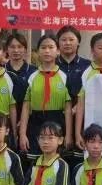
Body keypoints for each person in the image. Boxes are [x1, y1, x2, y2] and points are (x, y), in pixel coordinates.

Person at [19, 35, 72, 164]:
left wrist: (68, 134)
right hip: (36, 122)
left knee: (56, 162)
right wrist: (22, 134)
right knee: (34, 162)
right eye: (43, 48)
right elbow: (26, 107)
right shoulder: (32, 77)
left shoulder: (65, 77)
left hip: (57, 121)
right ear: (38, 52)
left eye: (51, 47)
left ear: (58, 51)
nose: (47, 51)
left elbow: (68, 109)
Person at [74, 33, 102, 150]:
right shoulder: (86, 73)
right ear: (92, 50)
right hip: (91, 123)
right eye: (100, 48)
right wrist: (77, 133)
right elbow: (81, 104)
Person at [55, 25, 91, 102]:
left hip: (82, 108)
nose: (67, 43)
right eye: (63, 40)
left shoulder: (88, 65)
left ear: (78, 42)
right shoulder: (52, 64)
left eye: (71, 40)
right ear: (58, 43)